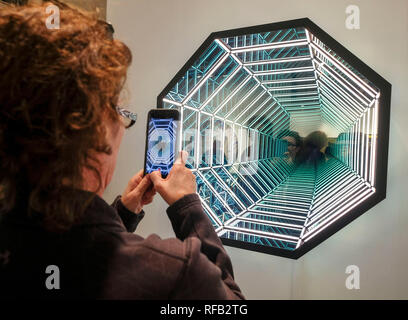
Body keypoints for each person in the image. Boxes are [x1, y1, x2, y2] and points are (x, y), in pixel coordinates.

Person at [0, 2, 244, 299]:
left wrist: (123, 215)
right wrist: (188, 207)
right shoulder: (173, 275)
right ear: (92, 132)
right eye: (118, 110)